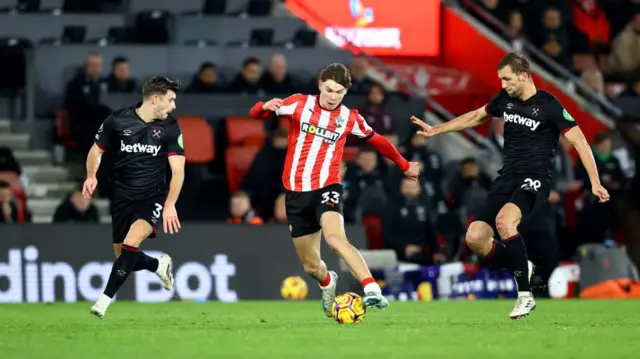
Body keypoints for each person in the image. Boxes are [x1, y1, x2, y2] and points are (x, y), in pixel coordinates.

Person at [411, 52, 610, 319]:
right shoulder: (505, 100)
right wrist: (437, 129)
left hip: (535, 178)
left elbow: (580, 142)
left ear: (524, 76)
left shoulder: (549, 105)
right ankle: (520, 265)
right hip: (507, 178)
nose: (503, 85)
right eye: (501, 80)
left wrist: (594, 182)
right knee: (475, 237)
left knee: (505, 222)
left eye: (507, 79)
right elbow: (475, 117)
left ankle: (525, 296)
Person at [249, 63, 420, 317]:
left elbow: (379, 141)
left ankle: (372, 290)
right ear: (320, 85)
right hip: (296, 193)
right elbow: (256, 115)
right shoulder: (298, 104)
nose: (332, 97)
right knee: (311, 266)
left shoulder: (349, 118)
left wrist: (404, 165)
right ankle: (327, 281)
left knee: (335, 238)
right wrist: (264, 106)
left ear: (345, 92)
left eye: (339, 92)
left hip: (328, 186)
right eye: (329, 90)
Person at [82, 77, 186, 319]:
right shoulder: (117, 120)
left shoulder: (170, 127)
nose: (174, 106)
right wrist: (90, 176)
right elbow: (96, 150)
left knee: (131, 244)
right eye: (171, 100)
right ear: (154, 99)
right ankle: (158, 265)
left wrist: (169, 204)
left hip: (152, 197)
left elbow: (178, 169)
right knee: (124, 256)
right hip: (121, 197)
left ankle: (103, 301)